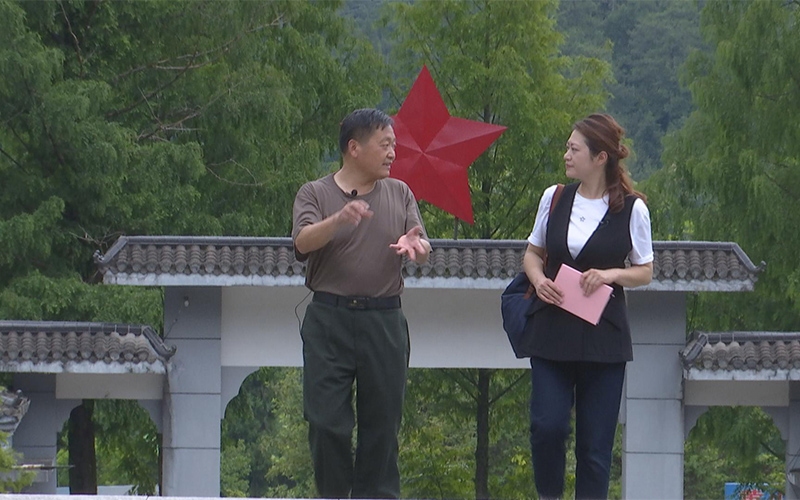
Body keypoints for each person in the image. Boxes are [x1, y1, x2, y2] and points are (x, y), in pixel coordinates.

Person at [292, 108, 431, 499]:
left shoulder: (400, 192)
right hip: (329, 320)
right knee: (325, 422)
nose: (392, 153)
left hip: (384, 321)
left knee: (382, 427)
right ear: (354, 148)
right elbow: (302, 242)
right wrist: (339, 219)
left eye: (394, 145)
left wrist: (416, 246)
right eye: (384, 145)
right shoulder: (314, 193)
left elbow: (422, 245)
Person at [521, 114, 653, 499]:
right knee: (547, 427)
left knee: (595, 449)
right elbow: (532, 254)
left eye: (573, 149)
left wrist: (611, 274)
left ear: (600, 158)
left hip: (603, 340)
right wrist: (538, 280)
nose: (566, 154)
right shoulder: (554, 197)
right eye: (567, 147)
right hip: (552, 333)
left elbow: (645, 271)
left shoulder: (632, 209)